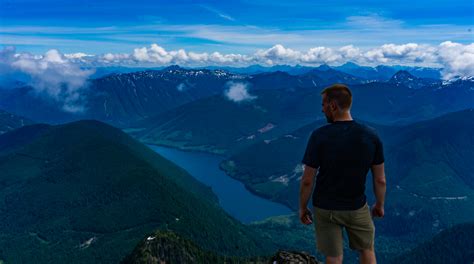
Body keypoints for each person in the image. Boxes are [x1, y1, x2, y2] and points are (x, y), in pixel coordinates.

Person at [298, 84, 386, 264]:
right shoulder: (371, 136)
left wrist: (302, 207)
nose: (322, 109)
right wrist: (379, 204)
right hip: (357, 206)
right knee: (366, 250)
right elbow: (380, 179)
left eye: (323, 105)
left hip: (325, 207)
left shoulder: (319, 135)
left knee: (334, 256)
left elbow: (308, 180)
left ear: (332, 106)